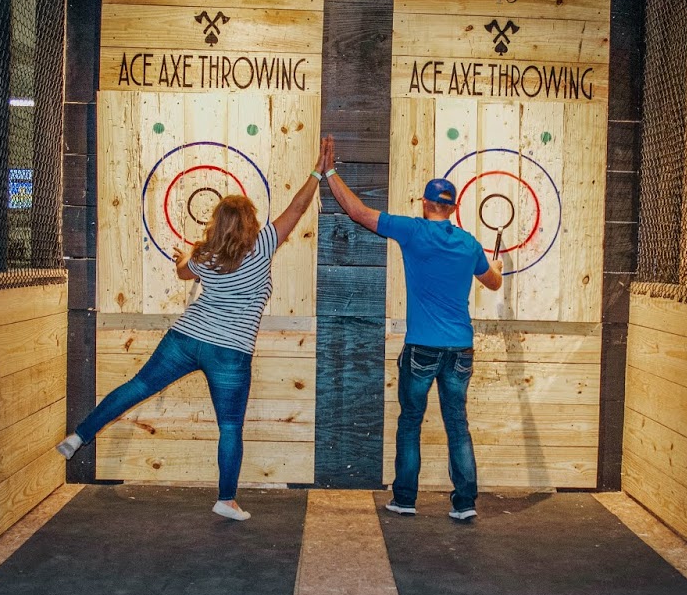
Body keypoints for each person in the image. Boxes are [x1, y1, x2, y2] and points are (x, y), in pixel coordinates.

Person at [56, 136, 334, 522]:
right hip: (231, 352)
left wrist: (186, 255)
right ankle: (226, 500)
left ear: (216, 224)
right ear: (252, 223)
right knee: (231, 426)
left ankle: (79, 435)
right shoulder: (265, 242)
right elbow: (297, 208)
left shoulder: (205, 257)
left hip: (187, 338)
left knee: (137, 387)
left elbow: (183, 269)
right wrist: (316, 172)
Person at [324, 167, 502, 519]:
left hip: (422, 347)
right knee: (457, 424)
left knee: (410, 422)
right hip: (460, 350)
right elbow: (493, 283)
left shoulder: (412, 230)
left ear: (425, 203)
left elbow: (357, 211)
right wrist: (494, 265)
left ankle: (405, 499)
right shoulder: (469, 244)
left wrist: (329, 172)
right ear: (452, 208)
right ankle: (465, 503)